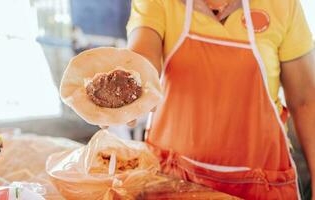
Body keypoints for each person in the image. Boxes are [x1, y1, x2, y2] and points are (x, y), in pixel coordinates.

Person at [126, 0, 315, 199]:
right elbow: (143, 56)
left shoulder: (282, 5)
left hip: (260, 186)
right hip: (173, 181)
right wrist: (127, 82)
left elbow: (305, 99)